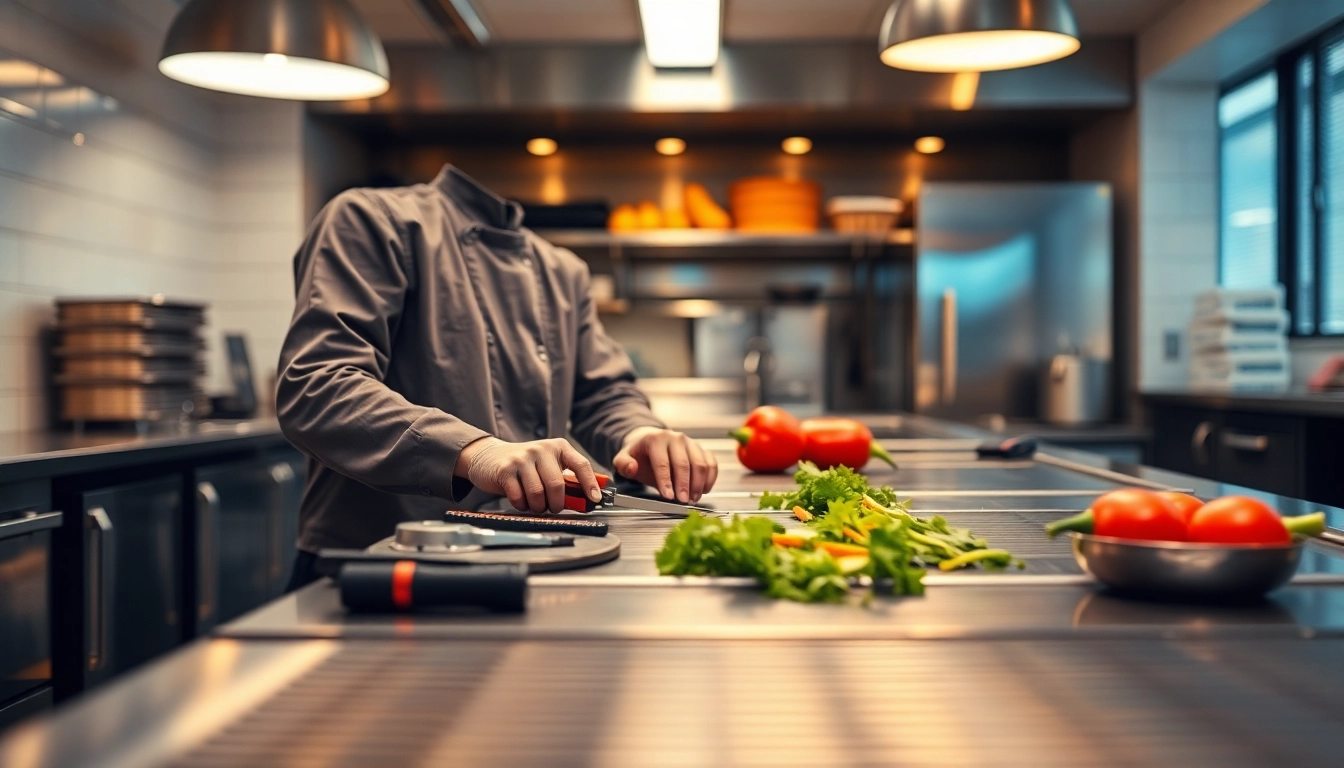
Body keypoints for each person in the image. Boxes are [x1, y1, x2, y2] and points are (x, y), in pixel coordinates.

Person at [276, 165, 718, 590]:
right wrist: (474, 451)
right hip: (375, 568)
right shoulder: (369, 219)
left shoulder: (563, 269)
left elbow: (602, 393)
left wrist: (636, 432)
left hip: (520, 557)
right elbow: (318, 384)